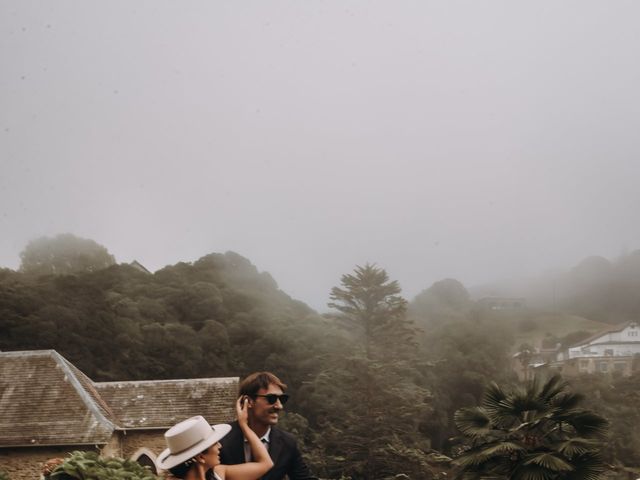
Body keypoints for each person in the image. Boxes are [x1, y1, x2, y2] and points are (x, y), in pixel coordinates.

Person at [216, 372, 317, 480]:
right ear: (248, 401)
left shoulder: (287, 443)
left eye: (282, 399)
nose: (279, 406)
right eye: (271, 398)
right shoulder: (220, 439)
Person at [158, 396, 273, 480]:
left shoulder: (218, 473)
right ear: (201, 457)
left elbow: (265, 464)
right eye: (214, 443)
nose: (220, 445)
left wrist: (244, 425)